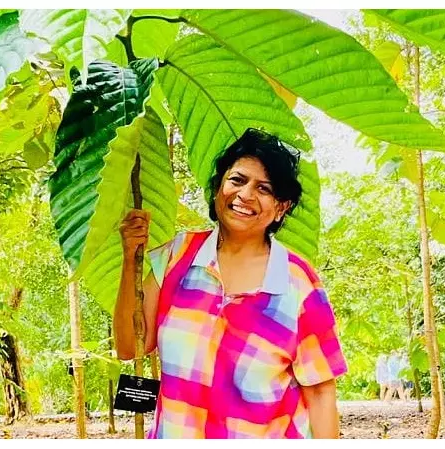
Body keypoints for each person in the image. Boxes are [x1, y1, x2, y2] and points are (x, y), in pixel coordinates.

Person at [113, 128, 347, 439]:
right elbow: (131, 346)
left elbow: (320, 392)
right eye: (237, 180)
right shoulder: (176, 257)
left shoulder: (299, 284)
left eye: (264, 188)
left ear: (282, 207)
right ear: (217, 188)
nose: (246, 195)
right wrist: (131, 256)